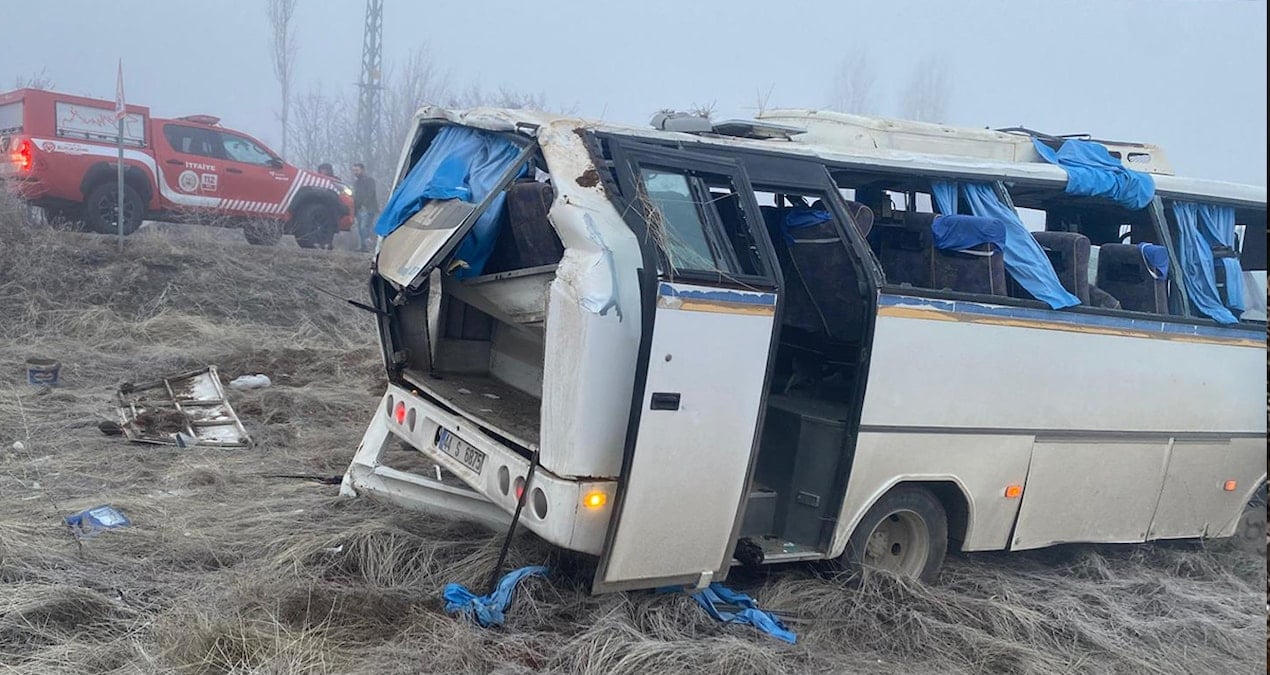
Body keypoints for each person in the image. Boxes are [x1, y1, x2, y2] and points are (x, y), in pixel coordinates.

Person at [351, 162, 378, 252]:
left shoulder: (369, 180)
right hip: (358, 208)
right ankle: (364, 247)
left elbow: (370, 194)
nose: (355, 172)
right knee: (360, 228)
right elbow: (355, 195)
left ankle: (369, 246)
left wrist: (364, 204)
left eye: (357, 170)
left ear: (362, 170)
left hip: (368, 208)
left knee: (365, 227)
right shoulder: (356, 182)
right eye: (354, 170)